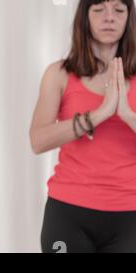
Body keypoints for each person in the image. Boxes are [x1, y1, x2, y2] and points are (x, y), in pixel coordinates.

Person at [30, 0, 136, 253]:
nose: (109, 17)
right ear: (84, 18)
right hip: (68, 211)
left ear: (129, 18)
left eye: (119, 10)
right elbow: (38, 140)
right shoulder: (58, 73)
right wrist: (97, 115)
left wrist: (126, 114)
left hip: (129, 212)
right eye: (99, 9)